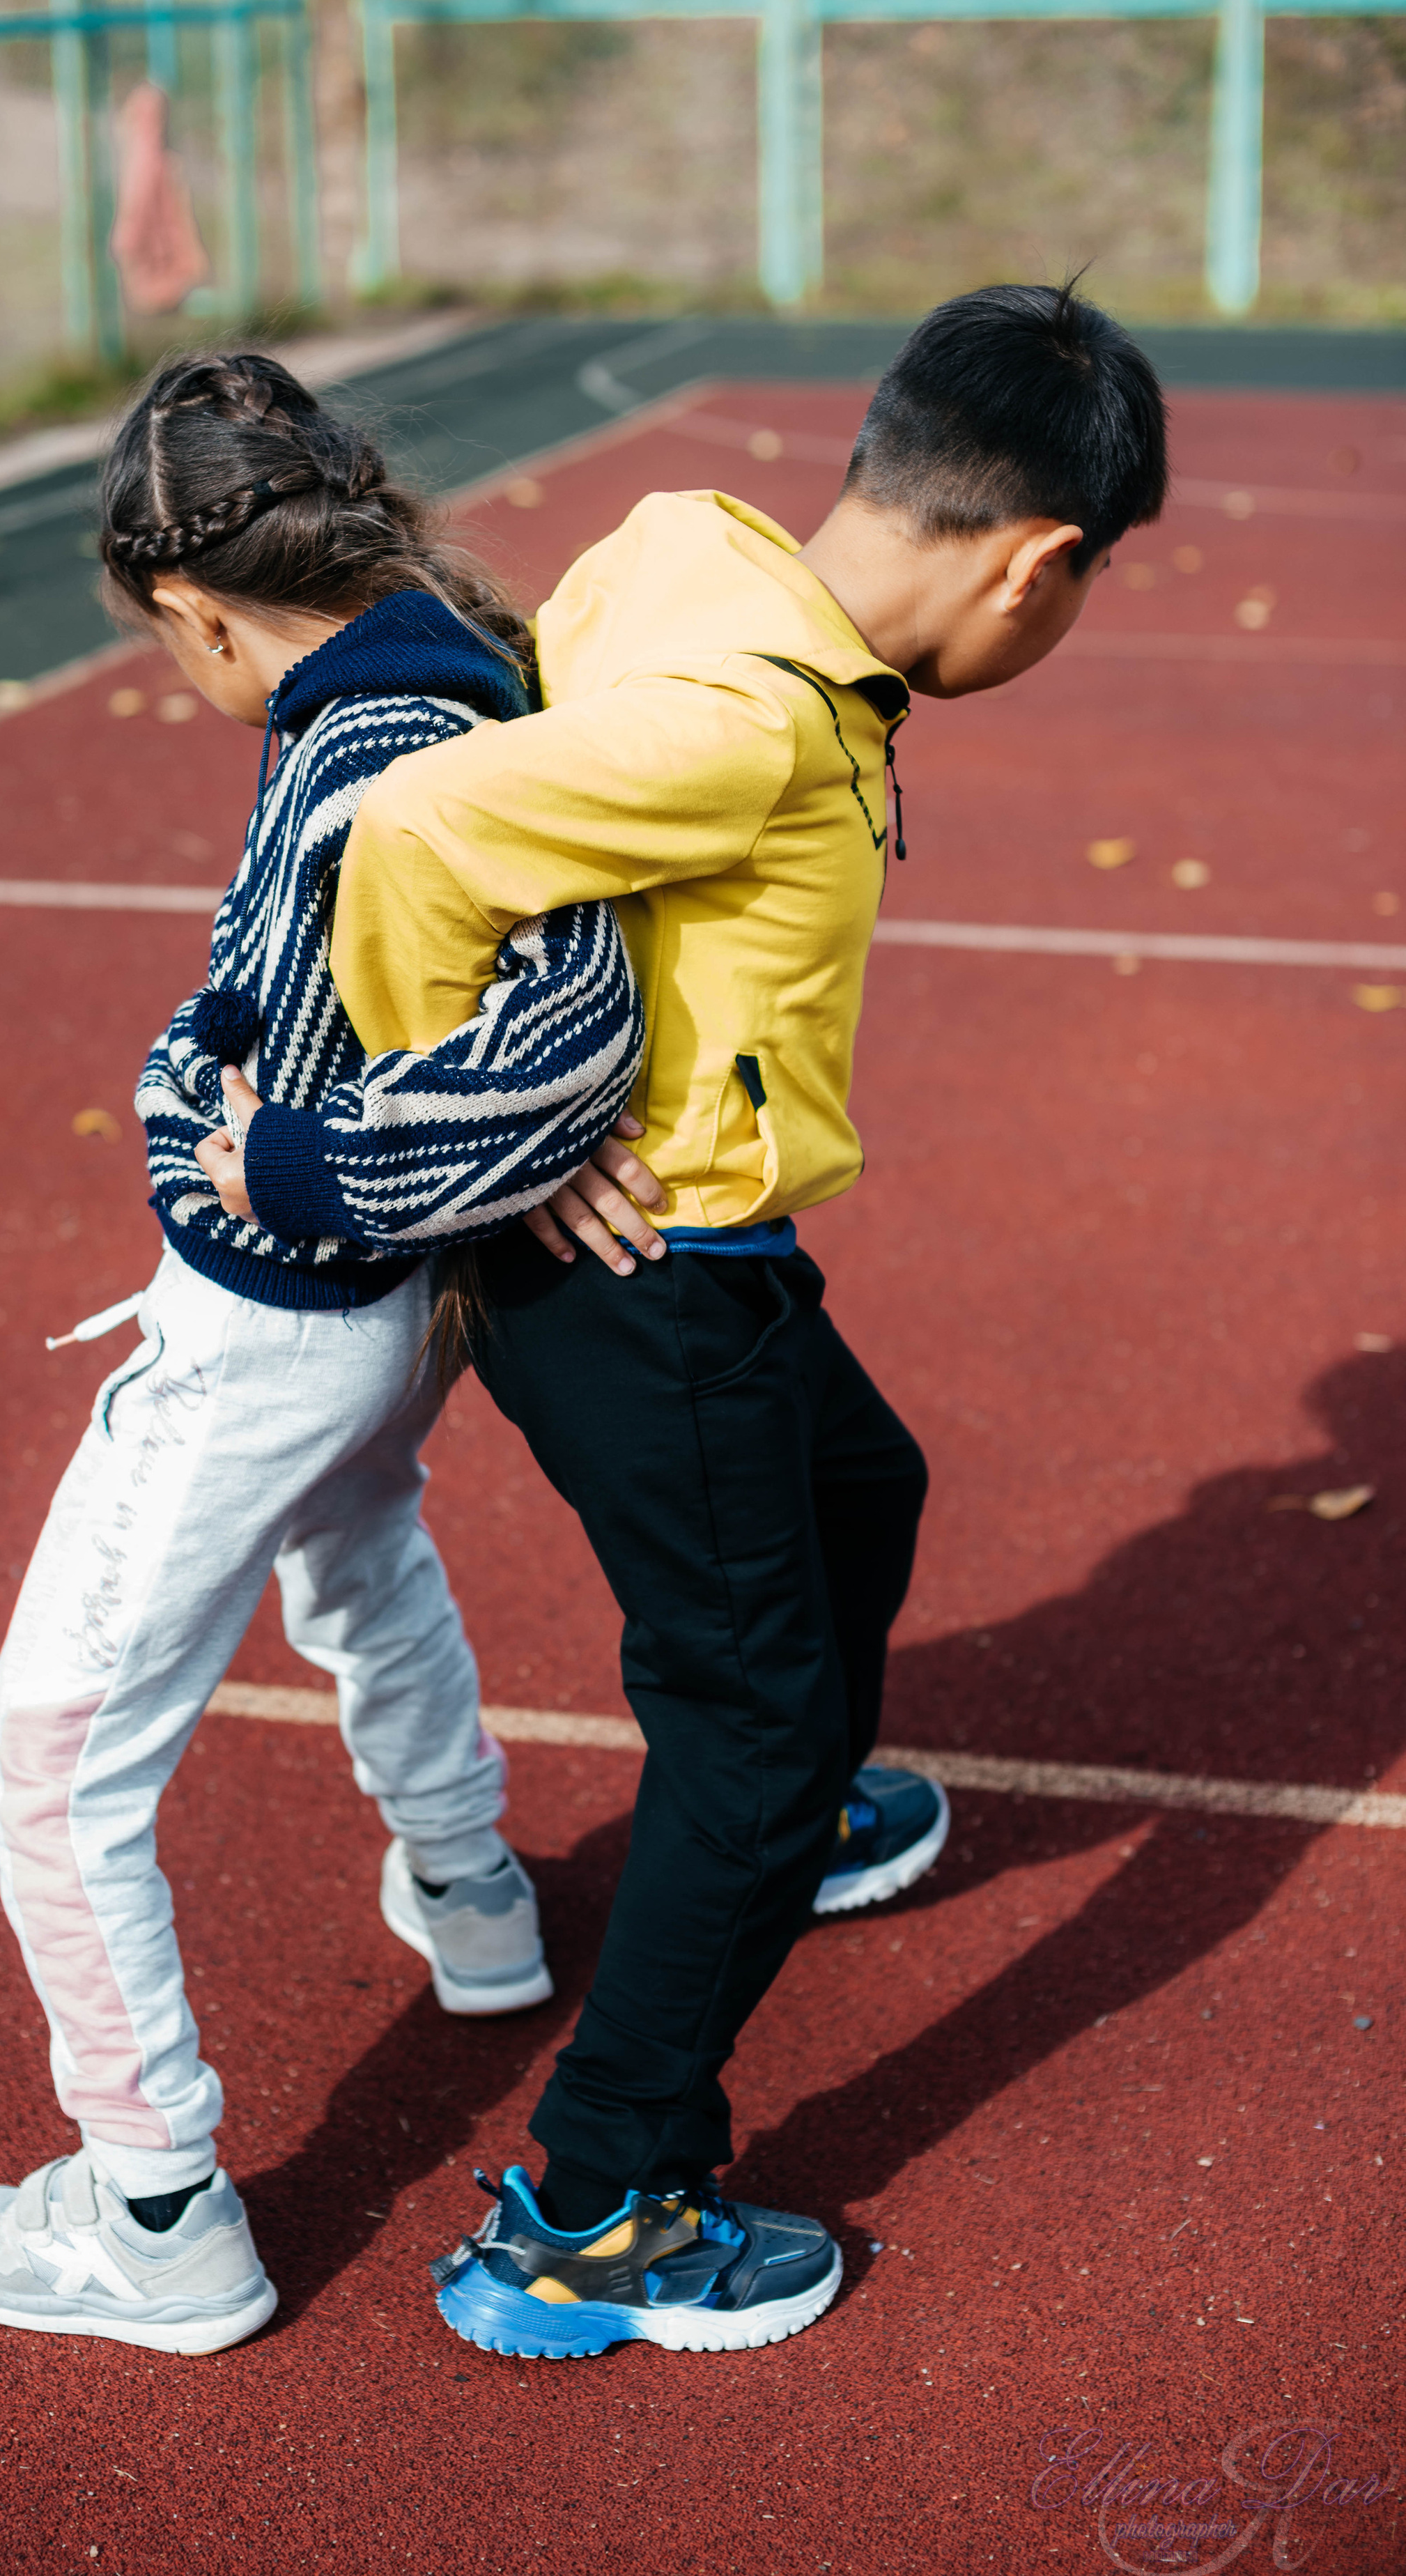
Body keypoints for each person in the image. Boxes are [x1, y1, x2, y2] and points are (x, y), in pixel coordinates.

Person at [316, 279, 1170, 2358]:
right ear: (1037, 562)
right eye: (1084, 596)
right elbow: (414, 833)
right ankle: (596, 2208)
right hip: (646, 1282)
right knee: (753, 1727)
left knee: (869, 1483)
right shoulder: (754, 723)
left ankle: (801, 1809)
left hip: (714, 1256)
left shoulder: (693, 541)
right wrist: (480, 1135)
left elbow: (531, 691)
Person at [0, 351, 648, 2357]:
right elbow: (263, 998)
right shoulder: (434, 674)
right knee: (358, 1552)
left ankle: (154, 2210)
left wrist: (286, 1157)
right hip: (367, 1319)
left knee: (48, 1761)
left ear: (200, 612)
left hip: (285, 1315)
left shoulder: (382, 748)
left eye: (174, 655)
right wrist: (219, 1084)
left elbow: (573, 1038)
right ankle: (477, 1896)